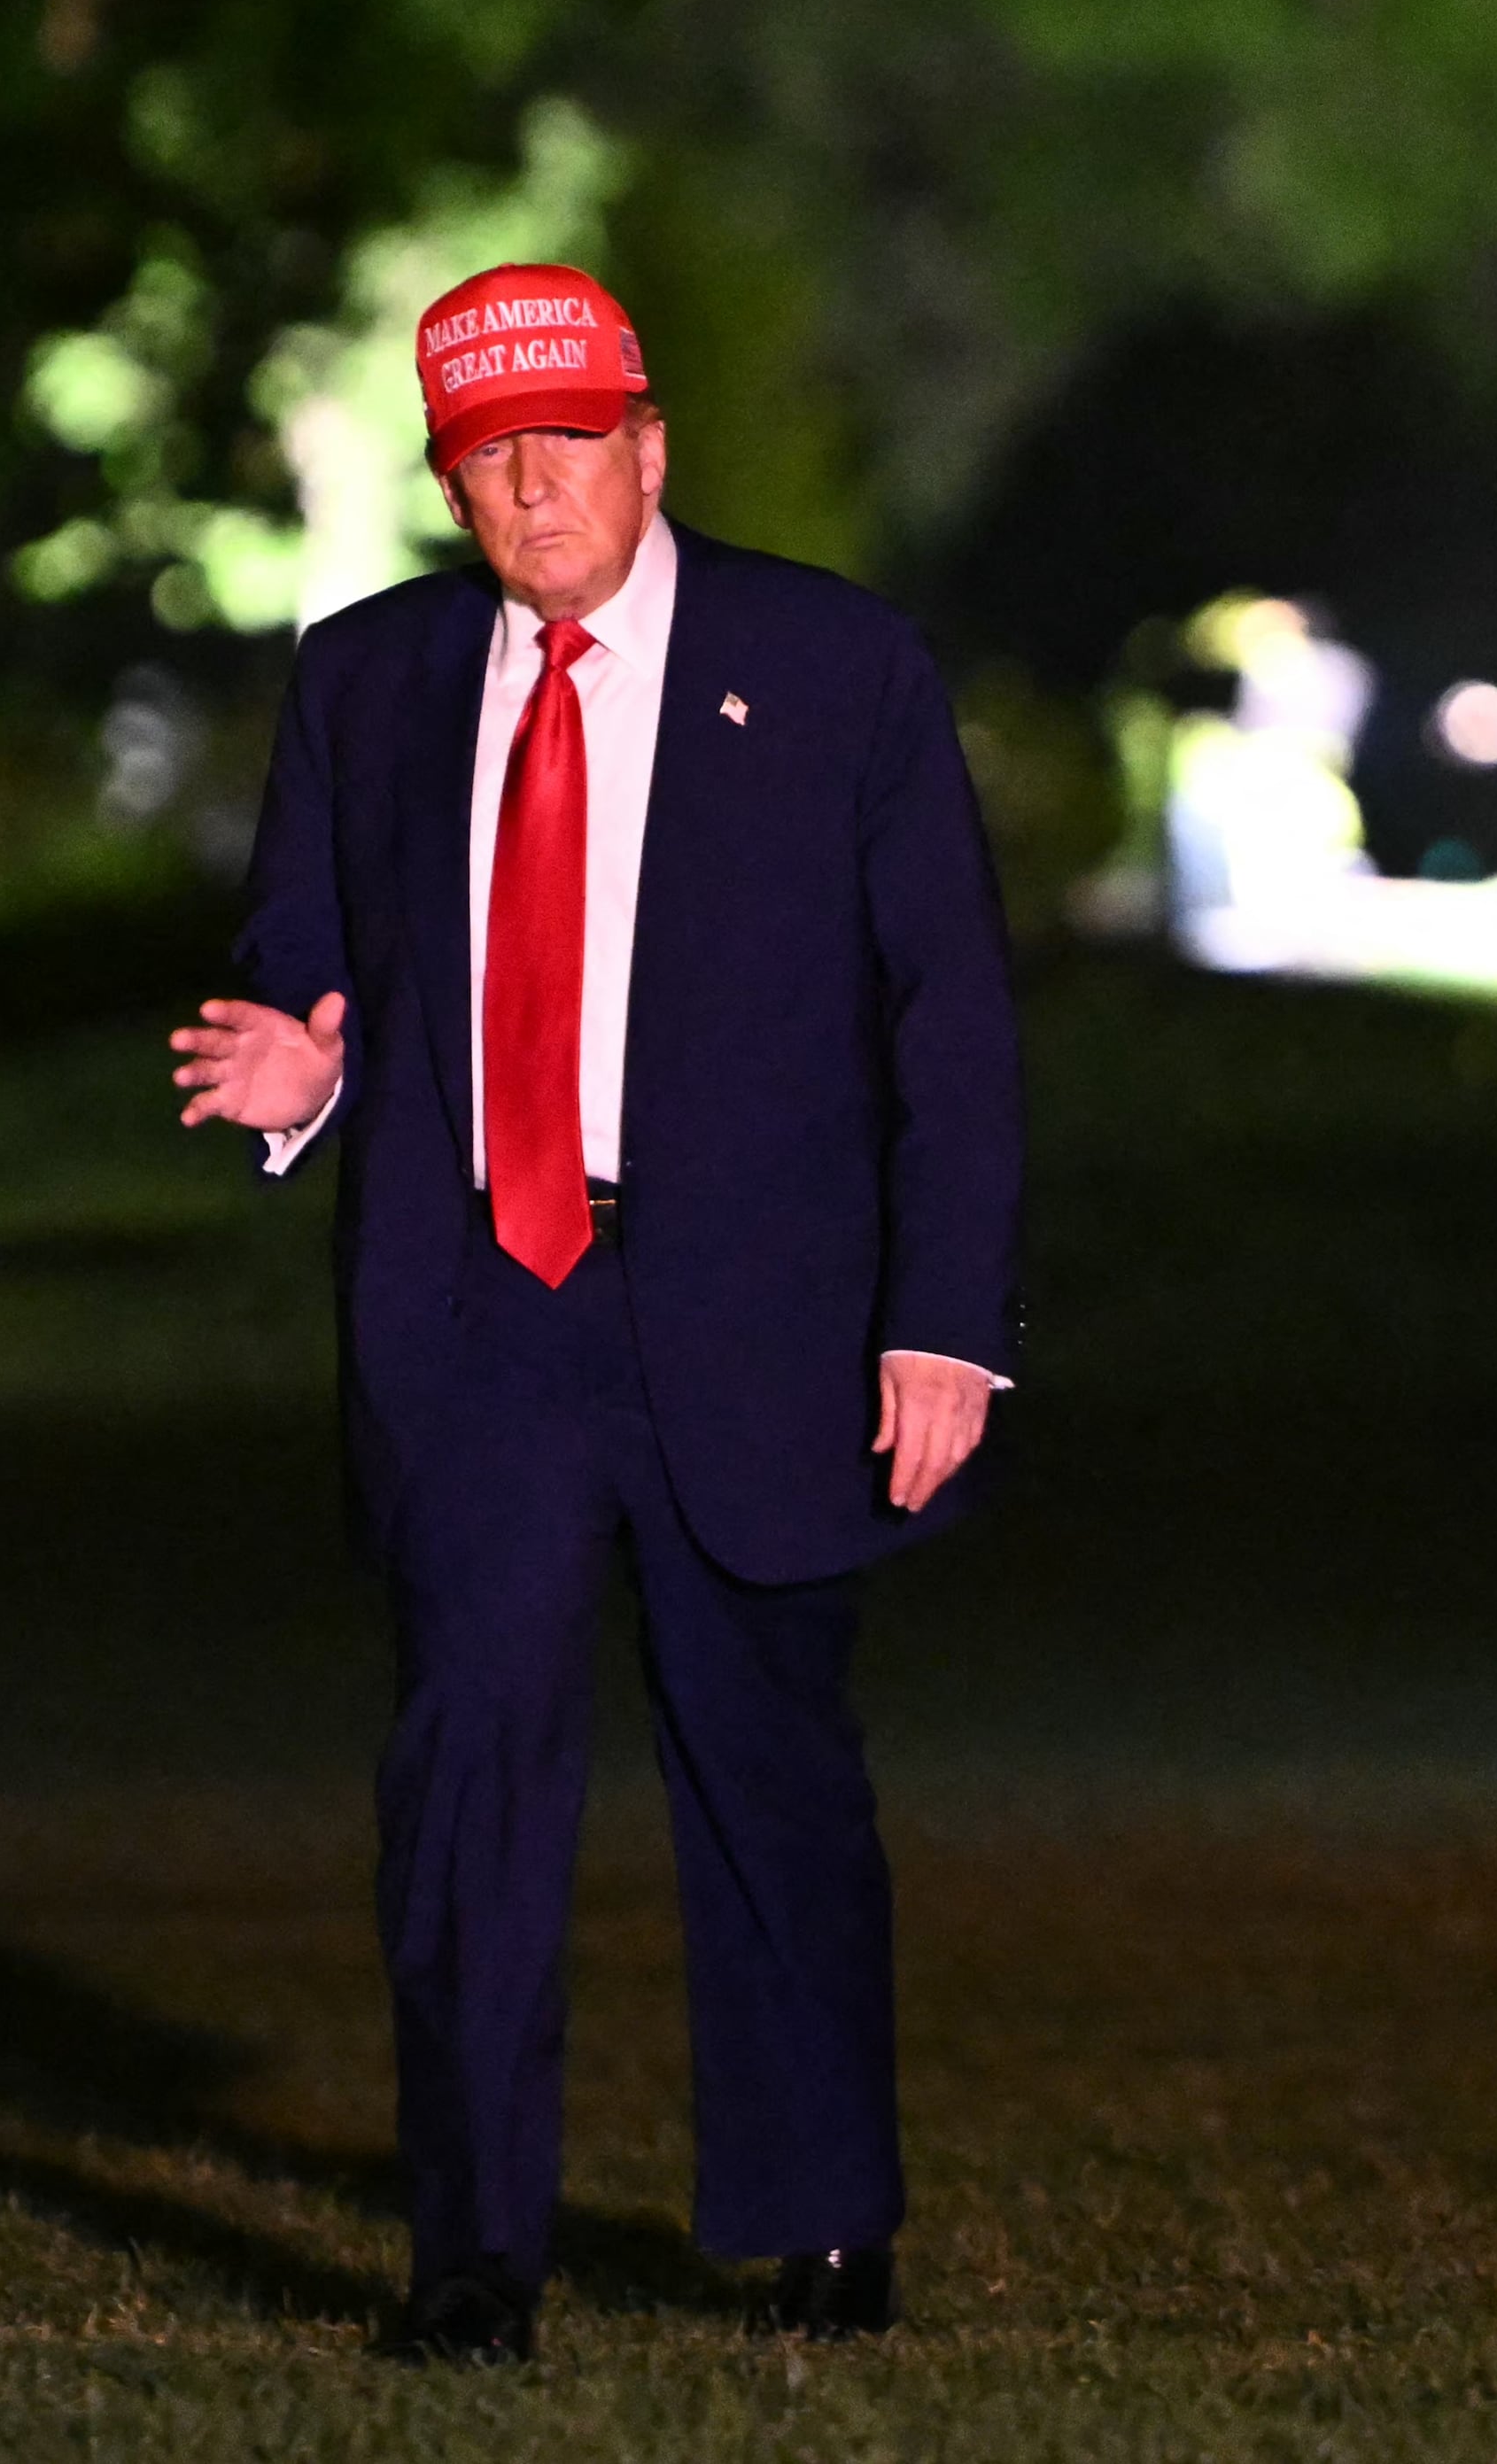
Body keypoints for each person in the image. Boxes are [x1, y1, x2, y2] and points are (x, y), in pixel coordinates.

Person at [167, 260, 1020, 2363]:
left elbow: (954, 1019)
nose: (532, 491)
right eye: (486, 458)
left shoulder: (832, 666)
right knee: (465, 1782)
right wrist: (300, 1065)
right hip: (479, 1315)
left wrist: (943, 1321)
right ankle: (471, 2256)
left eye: (567, 443)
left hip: (759, 1310)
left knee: (773, 1771)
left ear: (651, 444)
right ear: (451, 483)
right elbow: (313, 957)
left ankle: (823, 2225)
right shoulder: (367, 679)